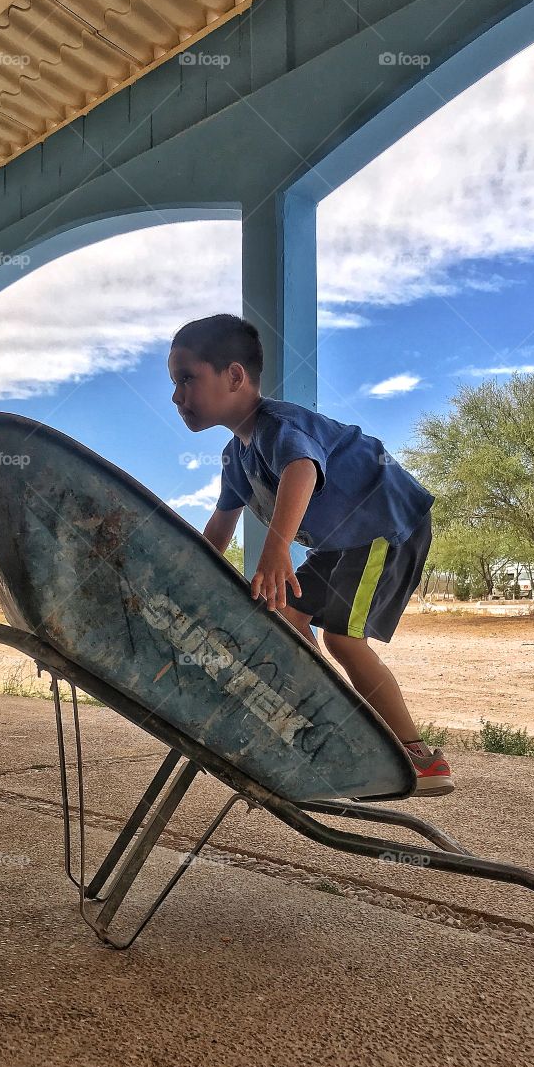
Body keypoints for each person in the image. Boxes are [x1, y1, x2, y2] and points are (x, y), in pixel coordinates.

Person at [168, 312, 453, 796]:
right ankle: (329, 727)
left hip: (384, 525)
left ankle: (419, 758)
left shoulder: (279, 427)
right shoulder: (235, 456)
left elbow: (302, 468)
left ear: (235, 376)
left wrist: (276, 549)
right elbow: (220, 524)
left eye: (187, 380)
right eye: (175, 384)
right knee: (288, 620)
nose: (177, 396)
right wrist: (190, 577)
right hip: (339, 543)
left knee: (343, 640)